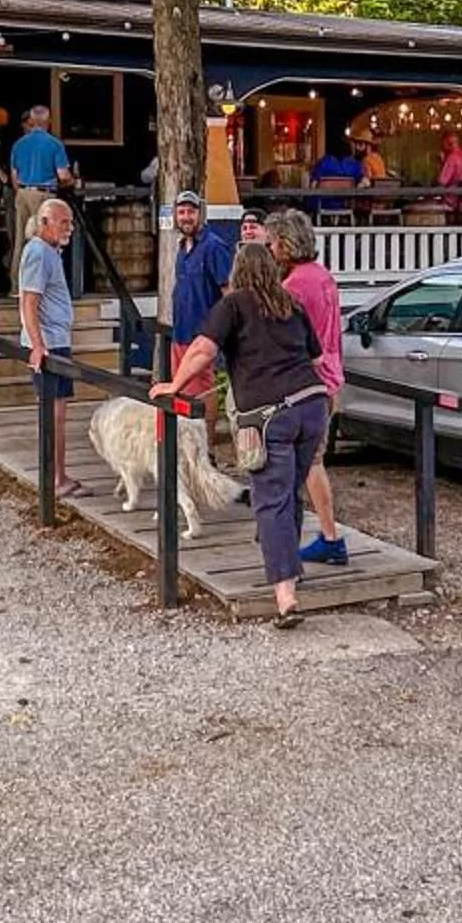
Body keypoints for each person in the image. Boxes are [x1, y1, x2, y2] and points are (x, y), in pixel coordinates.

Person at [156, 241, 331, 628]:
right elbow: (317, 359)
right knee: (290, 490)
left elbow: (202, 350)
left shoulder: (233, 306)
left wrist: (174, 384)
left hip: (269, 416)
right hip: (312, 407)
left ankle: (285, 596)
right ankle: (291, 567)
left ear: (238, 271)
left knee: (271, 500)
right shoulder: (291, 306)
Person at [267, 209, 347, 566]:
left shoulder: (294, 287)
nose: (270, 251)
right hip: (329, 376)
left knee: (308, 462)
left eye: (272, 244)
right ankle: (323, 535)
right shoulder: (324, 276)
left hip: (304, 384)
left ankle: (329, 536)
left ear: (285, 245)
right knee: (312, 460)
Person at [20, 196, 83, 496]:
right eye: (63, 222)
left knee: (58, 411)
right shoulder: (39, 252)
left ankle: (58, 474)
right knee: (53, 413)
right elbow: (29, 301)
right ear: (45, 223)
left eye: (71, 222)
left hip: (57, 340)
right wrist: (37, 344)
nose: (69, 228)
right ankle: (56, 478)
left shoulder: (50, 252)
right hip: (49, 344)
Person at [9, 104, 74, 285]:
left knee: (21, 240)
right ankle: (42, 284)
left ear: (31, 120)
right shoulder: (54, 144)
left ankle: (17, 285)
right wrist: (72, 181)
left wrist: (20, 191)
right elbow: (63, 175)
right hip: (45, 196)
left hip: (22, 193)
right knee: (46, 240)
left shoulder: (18, 144)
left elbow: (14, 175)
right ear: (48, 121)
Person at [169, 191, 234, 349]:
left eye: (191, 212)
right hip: (179, 336)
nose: (186, 217)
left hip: (205, 341)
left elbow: (229, 293)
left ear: (201, 214)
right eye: (181, 212)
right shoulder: (182, 248)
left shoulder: (214, 246)